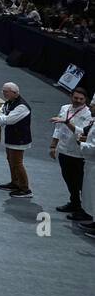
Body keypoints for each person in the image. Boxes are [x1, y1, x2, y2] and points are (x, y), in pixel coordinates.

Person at [51, 87, 91, 222]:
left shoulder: (89, 113)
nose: (78, 101)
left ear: (86, 100)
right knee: (68, 179)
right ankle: (74, 202)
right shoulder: (64, 108)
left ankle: (84, 209)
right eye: (76, 98)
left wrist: (68, 123)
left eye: (81, 99)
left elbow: (83, 133)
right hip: (63, 149)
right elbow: (58, 128)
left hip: (78, 153)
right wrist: (53, 145)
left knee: (80, 183)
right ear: (71, 96)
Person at [0, 82, 33, 199]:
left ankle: (25, 188)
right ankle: (15, 182)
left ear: (15, 93)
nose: (3, 93)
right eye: (3, 91)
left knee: (17, 163)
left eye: (6, 91)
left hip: (18, 139)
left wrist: (1, 118)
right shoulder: (9, 103)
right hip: (11, 137)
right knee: (10, 160)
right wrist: (2, 117)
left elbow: (9, 120)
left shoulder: (22, 106)